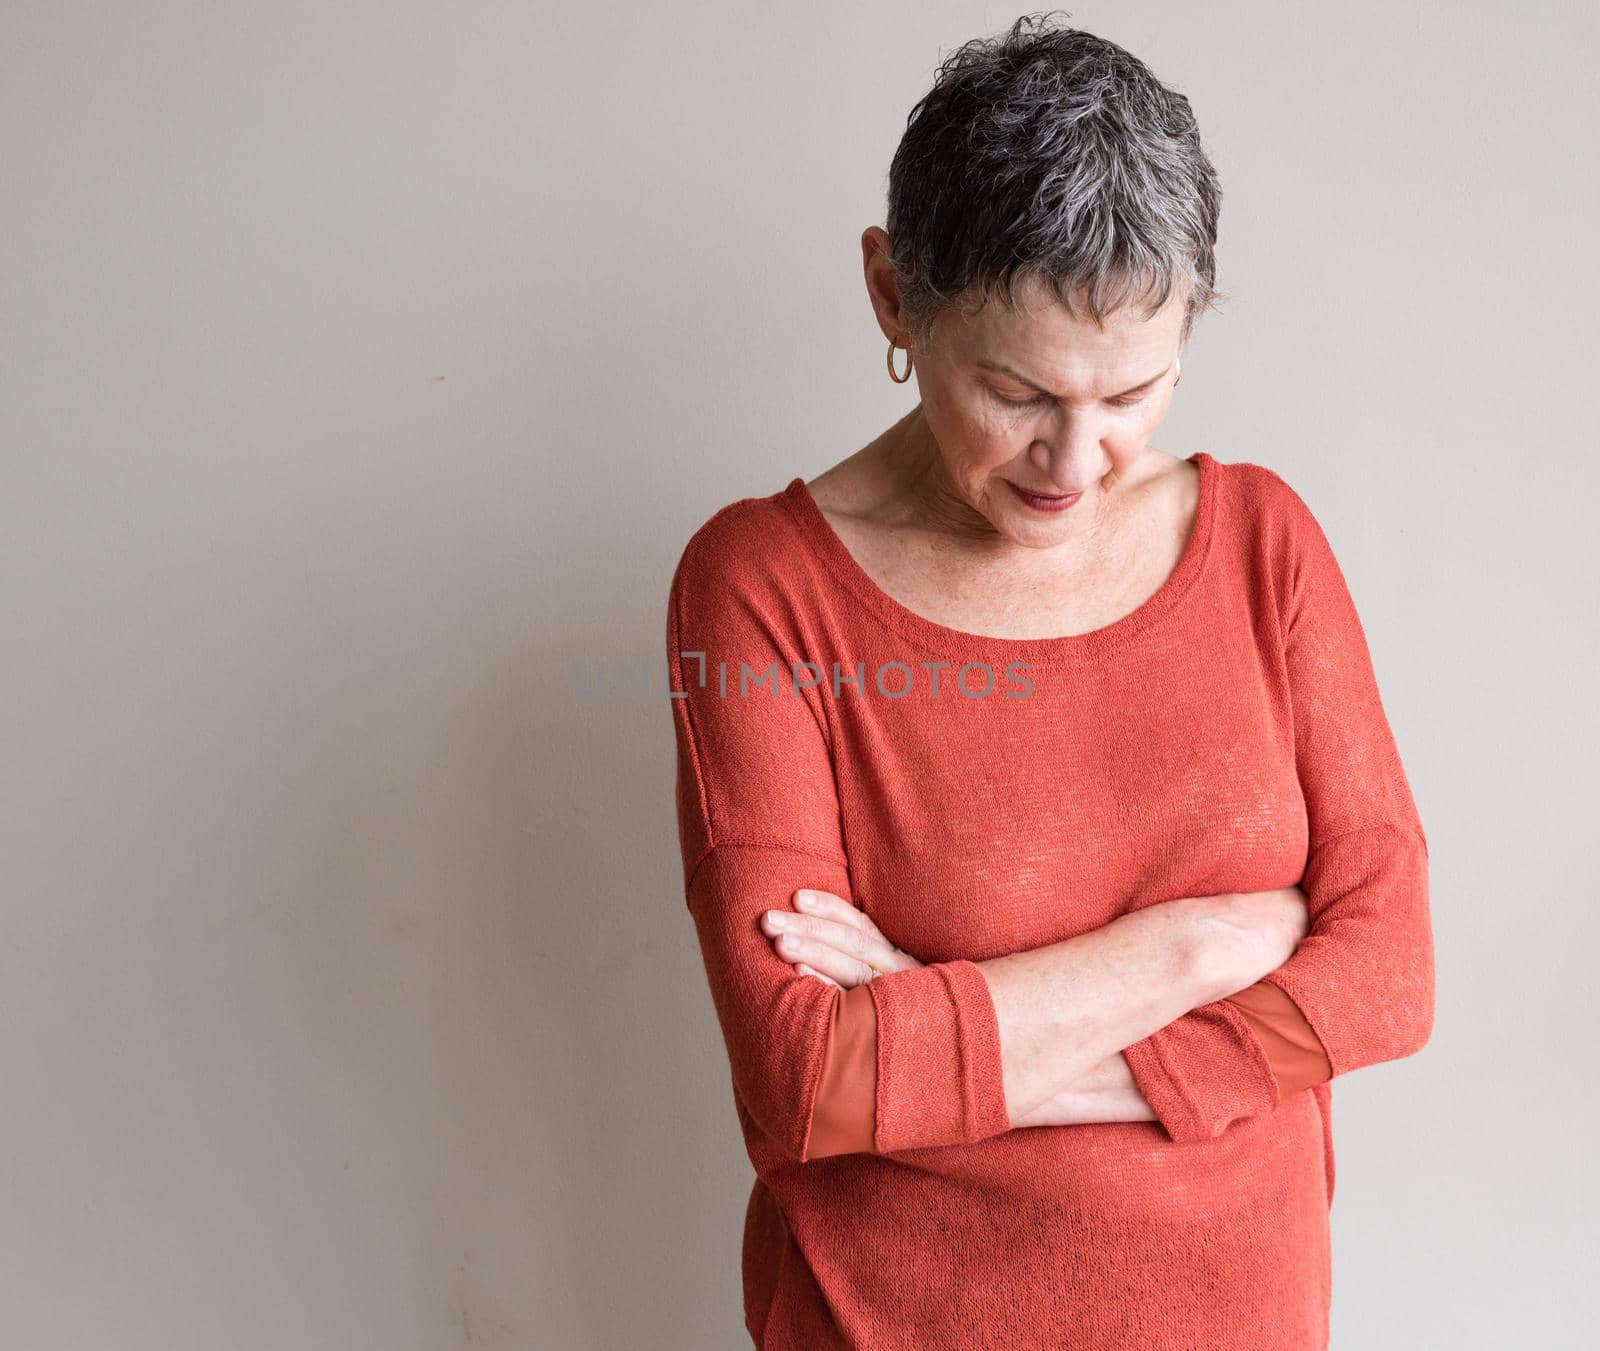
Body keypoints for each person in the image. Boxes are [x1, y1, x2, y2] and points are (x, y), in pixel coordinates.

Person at [663, 16, 1433, 1349]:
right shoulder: (763, 589)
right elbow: (807, 1087)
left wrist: (942, 1023)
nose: (1075, 460)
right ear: (896, 296)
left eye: (1136, 393)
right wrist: (1199, 948)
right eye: (1015, 391)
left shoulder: (1267, 550)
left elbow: (1388, 979)